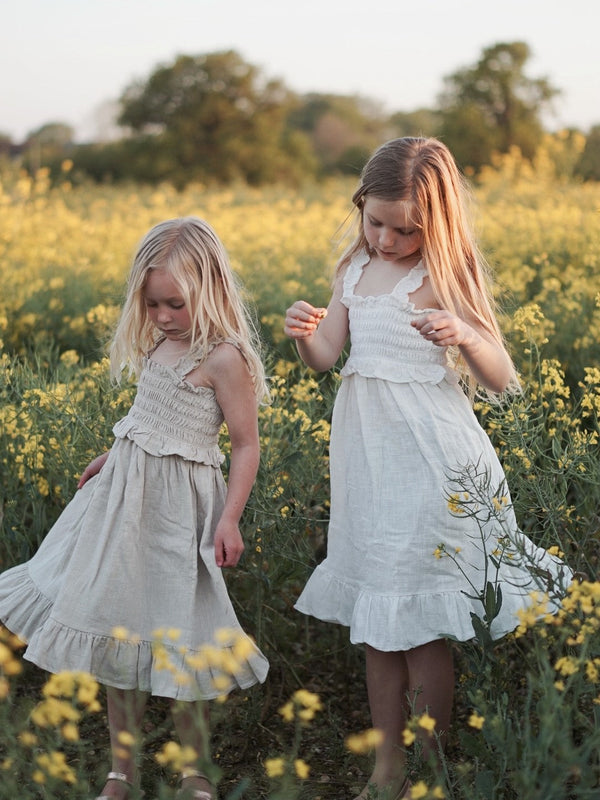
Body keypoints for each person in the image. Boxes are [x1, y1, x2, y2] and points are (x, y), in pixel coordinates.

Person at [284, 137, 571, 800]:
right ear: (361, 206)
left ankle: (431, 768)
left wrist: (467, 336)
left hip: (435, 464)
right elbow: (328, 356)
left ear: (435, 225)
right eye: (376, 221)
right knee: (378, 622)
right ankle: (387, 768)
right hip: (368, 465)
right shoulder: (353, 268)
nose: (386, 240)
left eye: (406, 231)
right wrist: (305, 332)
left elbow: (501, 379)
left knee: (415, 622)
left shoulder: (446, 274)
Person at [0, 217, 270, 800]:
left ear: (212, 289)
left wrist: (230, 518)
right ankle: (122, 771)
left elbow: (245, 444)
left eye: (176, 303)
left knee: (178, 638)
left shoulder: (224, 358)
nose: (164, 316)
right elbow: (150, 421)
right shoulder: (157, 344)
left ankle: (194, 769)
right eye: (152, 304)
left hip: (181, 517)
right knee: (118, 632)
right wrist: (113, 453)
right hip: (122, 508)